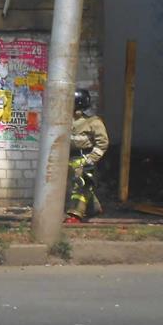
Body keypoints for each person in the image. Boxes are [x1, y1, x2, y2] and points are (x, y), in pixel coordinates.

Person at [65, 87, 109, 224]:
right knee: (78, 186)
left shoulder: (93, 122)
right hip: (68, 160)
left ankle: (75, 215)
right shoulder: (66, 120)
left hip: (84, 160)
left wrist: (91, 159)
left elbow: (103, 143)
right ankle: (94, 208)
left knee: (81, 186)